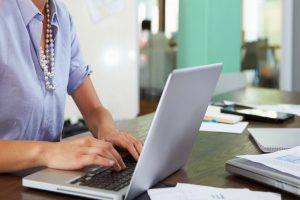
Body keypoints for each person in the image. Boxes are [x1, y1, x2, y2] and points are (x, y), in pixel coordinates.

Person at [0, 0, 143, 173]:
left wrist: (107, 131)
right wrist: (49, 153)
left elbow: (93, 109)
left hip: (45, 180)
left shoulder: (61, 16)